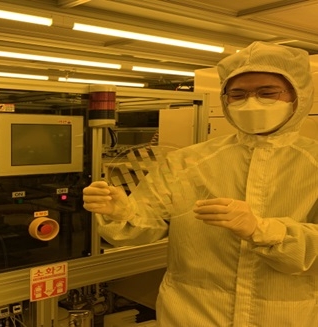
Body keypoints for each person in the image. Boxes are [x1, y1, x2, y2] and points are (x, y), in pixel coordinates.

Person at [83, 41, 318, 326]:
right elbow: (145, 227)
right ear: (225, 99)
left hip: (284, 316)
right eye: (238, 94)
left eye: (267, 93)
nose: (251, 102)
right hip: (192, 314)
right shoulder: (188, 161)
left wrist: (262, 230)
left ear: (299, 96)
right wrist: (122, 213)